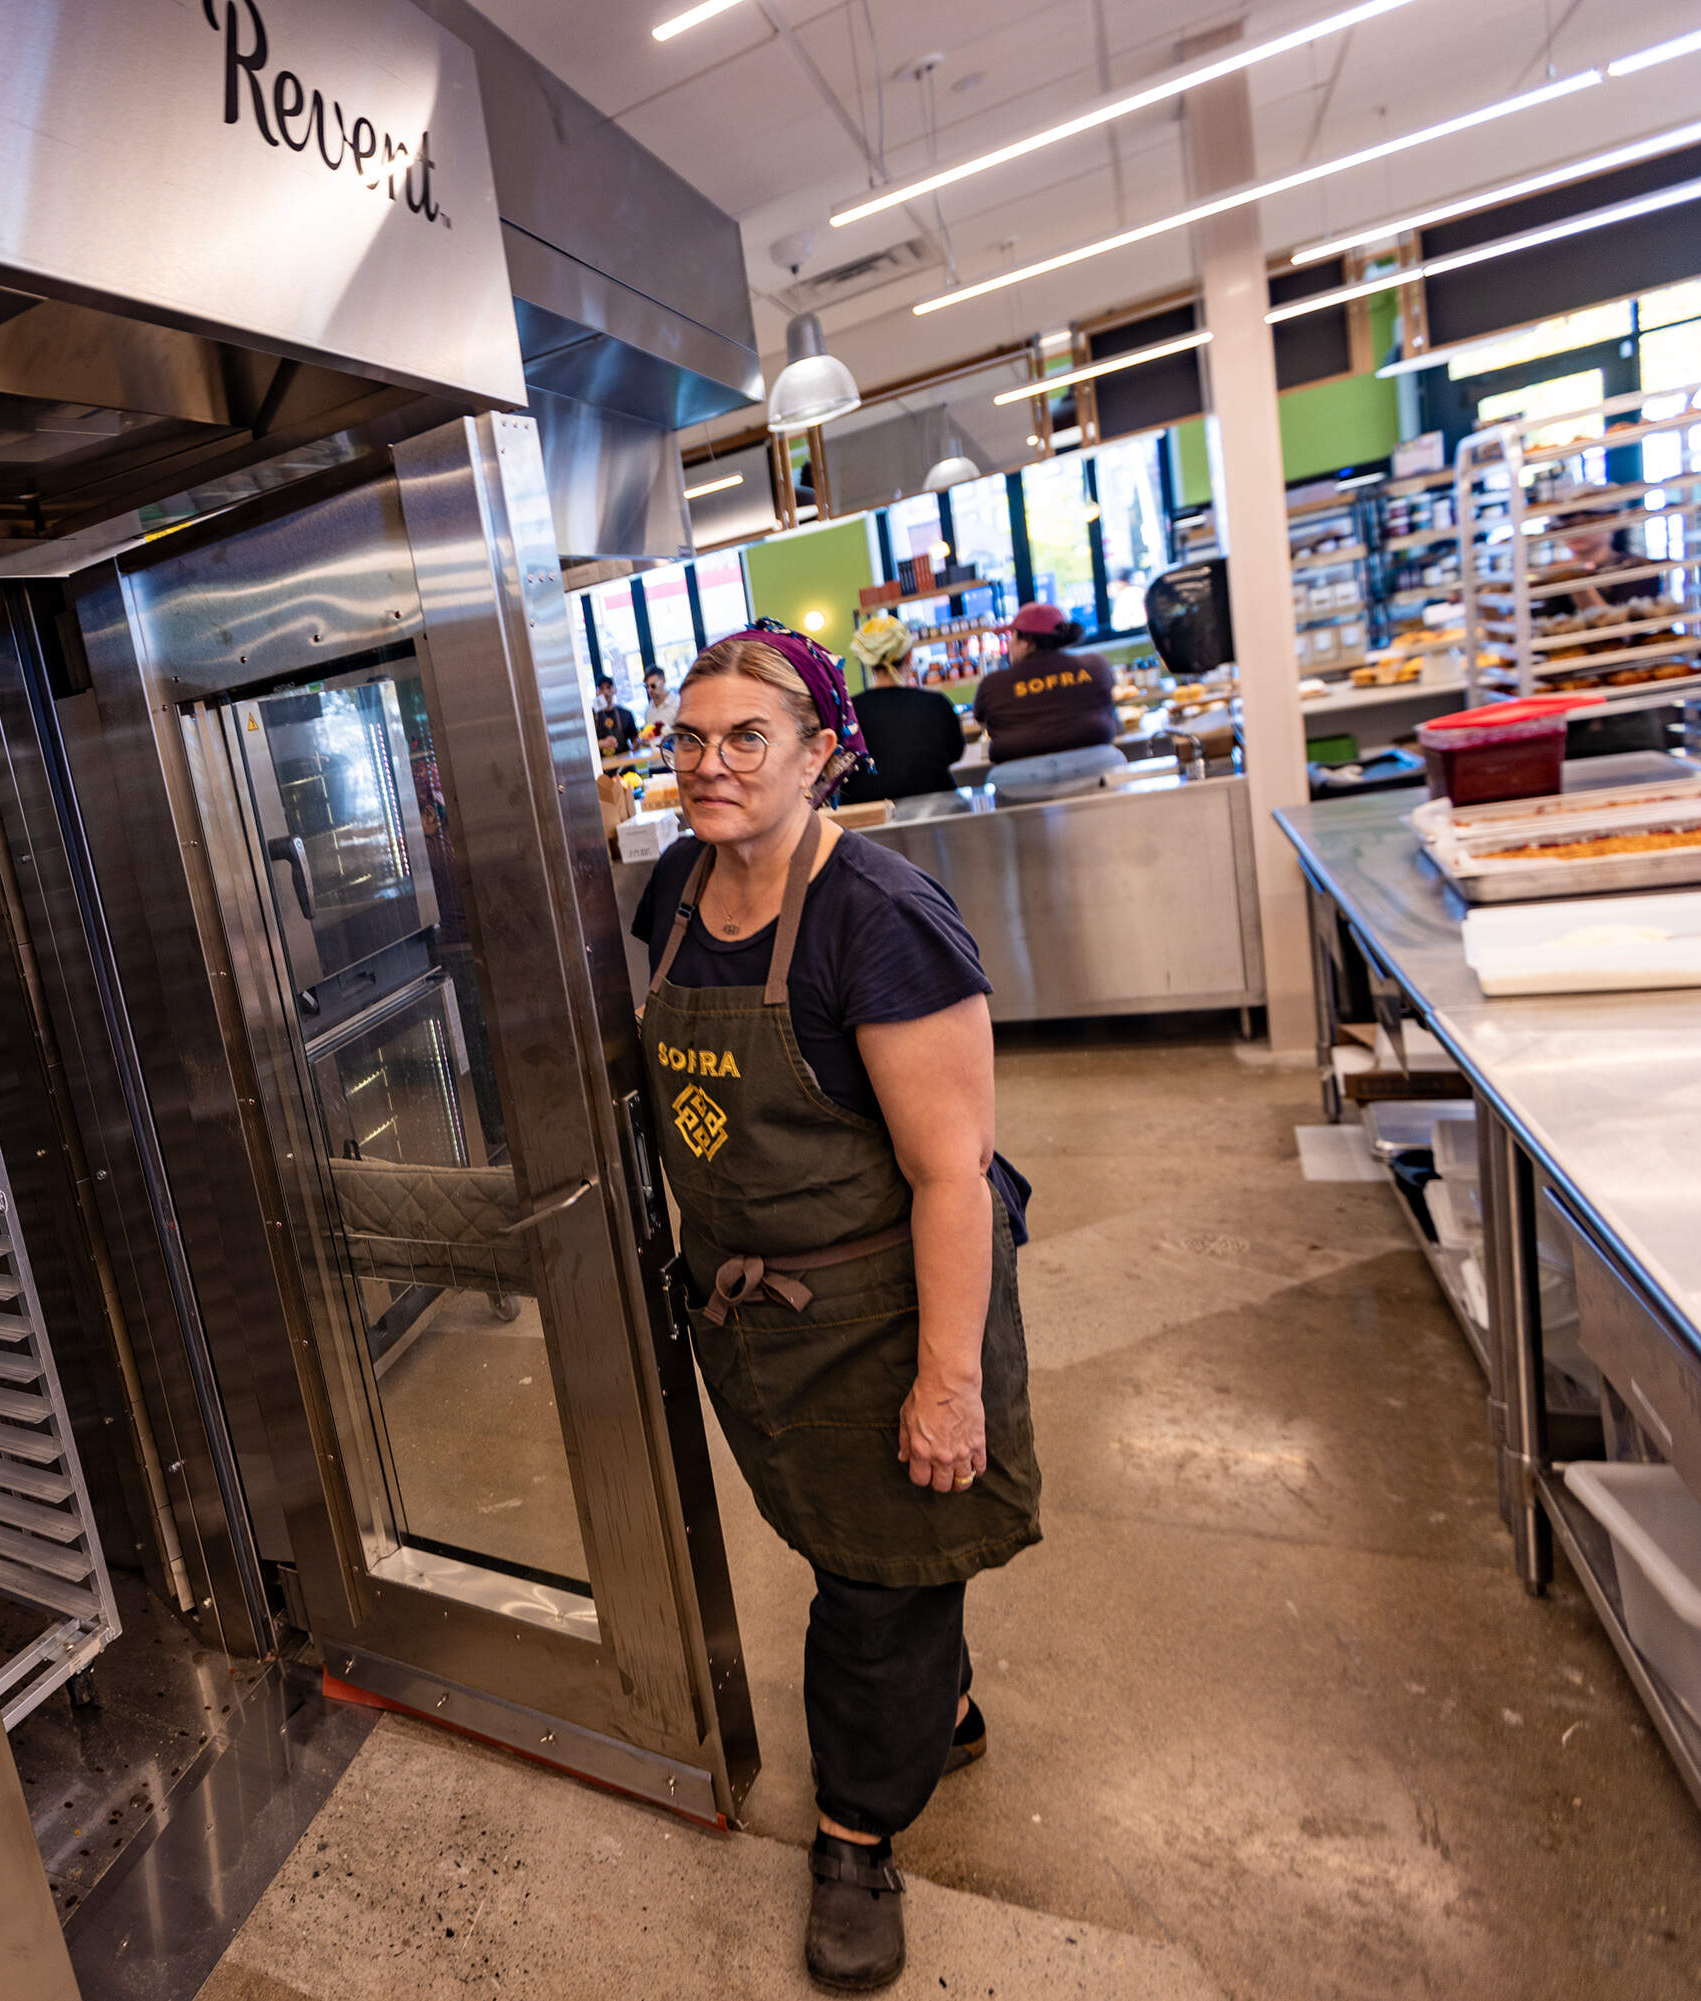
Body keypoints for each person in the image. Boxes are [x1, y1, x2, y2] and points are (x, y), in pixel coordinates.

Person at [629, 621, 1040, 1994]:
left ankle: (857, 1837)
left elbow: (952, 1174)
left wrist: (949, 1380)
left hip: (882, 1301)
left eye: (747, 738)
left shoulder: (881, 917)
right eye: (689, 738)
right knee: (854, 1539)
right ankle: (947, 1705)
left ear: (821, 755)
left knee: (873, 1574)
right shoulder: (678, 889)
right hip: (754, 1313)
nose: (709, 764)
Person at [968, 603, 1123, 799]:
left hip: (1019, 785)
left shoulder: (993, 684)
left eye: (1012, 637)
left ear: (1027, 641)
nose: (1009, 646)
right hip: (1098, 772)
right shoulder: (1095, 665)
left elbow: (983, 723)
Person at [841, 656, 963, 804]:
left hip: (867, 814)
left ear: (869, 661)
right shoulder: (935, 703)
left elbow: (840, 766)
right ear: (909, 657)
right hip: (935, 807)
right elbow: (956, 752)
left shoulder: (847, 711)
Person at [594, 670, 641, 759]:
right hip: (602, 770)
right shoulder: (591, 718)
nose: (605, 692)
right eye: (601, 688)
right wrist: (602, 743)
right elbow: (585, 746)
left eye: (608, 687)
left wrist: (638, 743)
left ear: (615, 690)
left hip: (626, 768)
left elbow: (635, 741)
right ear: (597, 692)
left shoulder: (626, 714)